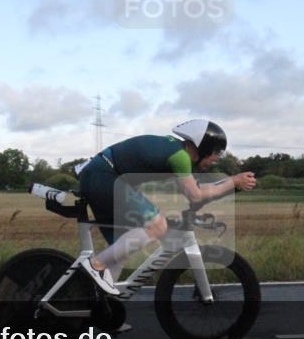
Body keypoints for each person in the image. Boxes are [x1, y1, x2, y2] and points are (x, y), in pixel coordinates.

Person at [78, 119, 256, 297]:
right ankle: (95, 266)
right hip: (104, 176)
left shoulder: (176, 153)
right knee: (157, 226)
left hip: (101, 176)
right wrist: (233, 181)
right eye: (216, 152)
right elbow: (195, 195)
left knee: (120, 249)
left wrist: (231, 185)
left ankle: (102, 306)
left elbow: (196, 191)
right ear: (203, 147)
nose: (217, 159)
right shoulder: (180, 157)